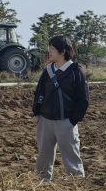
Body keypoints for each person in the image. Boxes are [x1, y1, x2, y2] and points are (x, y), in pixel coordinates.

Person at [32, 36, 90, 181]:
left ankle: (77, 183)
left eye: (52, 48)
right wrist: (36, 113)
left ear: (63, 51)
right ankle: (43, 183)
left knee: (71, 155)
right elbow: (39, 92)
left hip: (66, 121)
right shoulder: (48, 70)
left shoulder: (76, 71)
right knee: (44, 154)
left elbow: (83, 99)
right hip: (45, 121)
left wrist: (72, 121)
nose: (49, 51)